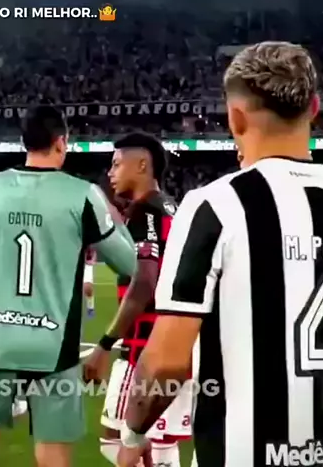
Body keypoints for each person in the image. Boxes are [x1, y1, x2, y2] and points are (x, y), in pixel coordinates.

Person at [117, 41, 323, 467]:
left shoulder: (214, 205)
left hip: (238, 453)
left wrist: (133, 432)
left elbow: (166, 363)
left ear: (235, 118)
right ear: (314, 108)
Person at [0, 105, 137, 467]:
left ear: (23, 141)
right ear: (61, 142)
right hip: (54, 346)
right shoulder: (83, 194)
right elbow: (130, 264)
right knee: (52, 455)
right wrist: (113, 218)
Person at [83, 132, 190, 467]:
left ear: (142, 165)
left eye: (117, 164)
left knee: (117, 442)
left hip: (145, 349)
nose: (110, 172)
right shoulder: (171, 206)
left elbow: (144, 282)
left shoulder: (145, 212)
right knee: (154, 444)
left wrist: (104, 344)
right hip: (174, 345)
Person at [83, 248, 96, 318]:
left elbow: (93, 260)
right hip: (87, 278)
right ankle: (90, 310)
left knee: (89, 294)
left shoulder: (89, 260)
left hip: (88, 277)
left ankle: (90, 310)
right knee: (89, 294)